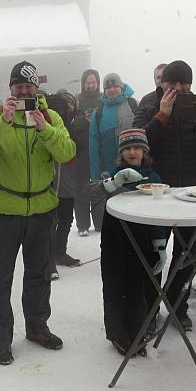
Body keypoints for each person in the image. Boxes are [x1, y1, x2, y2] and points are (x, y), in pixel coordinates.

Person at [0, 61, 76, 365]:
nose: (24, 91)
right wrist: (3, 121)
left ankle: (37, 327)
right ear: (11, 89)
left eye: (29, 87)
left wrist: (44, 128)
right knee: (0, 278)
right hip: (5, 210)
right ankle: (2, 339)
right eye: (19, 86)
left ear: (37, 89)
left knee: (39, 275)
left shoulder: (51, 116)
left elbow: (67, 152)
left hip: (42, 210)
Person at [133, 60, 196, 330]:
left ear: (190, 84)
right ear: (161, 83)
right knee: (154, 255)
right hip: (158, 193)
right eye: (171, 84)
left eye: (183, 84)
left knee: (186, 255)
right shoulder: (150, 105)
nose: (177, 89)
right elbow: (137, 144)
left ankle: (178, 306)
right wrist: (161, 116)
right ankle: (150, 310)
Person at [95, 129, 168, 357]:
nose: (132, 152)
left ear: (144, 151)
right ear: (121, 153)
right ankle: (118, 334)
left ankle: (137, 332)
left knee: (138, 286)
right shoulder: (115, 175)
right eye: (127, 148)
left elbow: (158, 212)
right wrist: (114, 183)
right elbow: (94, 194)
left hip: (142, 238)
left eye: (137, 147)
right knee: (116, 285)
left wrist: (159, 243)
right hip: (115, 238)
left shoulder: (153, 178)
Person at [88, 73, 138, 231]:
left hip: (134, 172)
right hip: (108, 174)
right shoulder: (98, 112)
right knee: (112, 220)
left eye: (115, 86)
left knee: (133, 216)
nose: (111, 90)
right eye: (107, 87)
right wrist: (96, 177)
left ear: (121, 87)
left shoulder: (134, 105)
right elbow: (93, 146)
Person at [48, 91, 84, 274]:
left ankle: (59, 253)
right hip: (52, 182)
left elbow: (78, 148)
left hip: (67, 180)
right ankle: (50, 259)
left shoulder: (71, 125)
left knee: (65, 219)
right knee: (52, 222)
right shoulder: (52, 125)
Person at [74, 69, 100, 236]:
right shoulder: (77, 100)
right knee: (81, 188)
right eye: (87, 82)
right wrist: (84, 119)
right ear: (83, 84)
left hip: (98, 150)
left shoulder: (103, 100)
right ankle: (82, 225)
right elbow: (71, 123)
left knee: (98, 187)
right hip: (81, 151)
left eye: (93, 82)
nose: (90, 85)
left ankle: (100, 223)